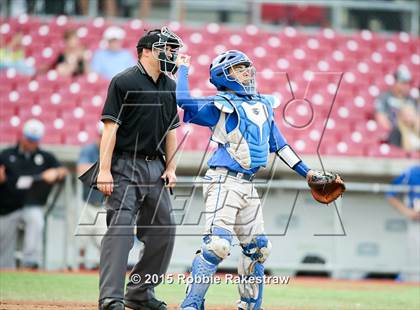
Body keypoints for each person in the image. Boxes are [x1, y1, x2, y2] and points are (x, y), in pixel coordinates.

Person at [175, 50, 344, 309]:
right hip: (223, 181)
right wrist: (183, 69)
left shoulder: (263, 105)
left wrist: (307, 172)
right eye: (238, 68)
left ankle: (249, 305)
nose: (246, 71)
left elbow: (279, 144)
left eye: (246, 66)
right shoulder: (220, 105)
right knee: (218, 245)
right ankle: (192, 303)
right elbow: (184, 101)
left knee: (259, 248)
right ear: (223, 75)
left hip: (247, 184)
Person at [86, 27, 182, 310]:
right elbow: (110, 128)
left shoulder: (170, 85)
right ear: (147, 51)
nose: (172, 55)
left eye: (174, 50)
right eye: (167, 48)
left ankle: (140, 294)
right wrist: (104, 170)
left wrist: (172, 168)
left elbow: (172, 131)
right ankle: (111, 298)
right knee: (121, 231)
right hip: (125, 165)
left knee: (164, 229)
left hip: (157, 168)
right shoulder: (123, 81)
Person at [0, 119, 67, 269]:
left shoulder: (45, 156)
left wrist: (55, 172)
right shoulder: (6, 154)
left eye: (35, 141)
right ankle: (4, 270)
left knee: (36, 220)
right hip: (7, 206)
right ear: (22, 137)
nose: (31, 143)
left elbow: (63, 171)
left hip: (31, 204)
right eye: (29, 139)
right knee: (3, 241)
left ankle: (29, 263)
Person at [77, 123, 106, 269]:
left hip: (104, 204)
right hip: (86, 201)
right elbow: (82, 171)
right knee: (80, 240)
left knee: (104, 241)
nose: (104, 138)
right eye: (102, 135)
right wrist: (105, 171)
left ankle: (101, 269)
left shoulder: (114, 150)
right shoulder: (89, 150)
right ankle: (79, 268)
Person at [386, 165, 420, 282]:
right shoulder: (412, 172)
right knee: (414, 264)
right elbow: (390, 193)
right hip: (416, 223)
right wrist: (407, 211)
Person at [375, 65, 418, 146]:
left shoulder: (411, 100)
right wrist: (396, 131)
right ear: (396, 82)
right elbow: (381, 118)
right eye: (404, 83)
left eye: (408, 83)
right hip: (394, 134)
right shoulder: (384, 98)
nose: (407, 86)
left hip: (410, 134)